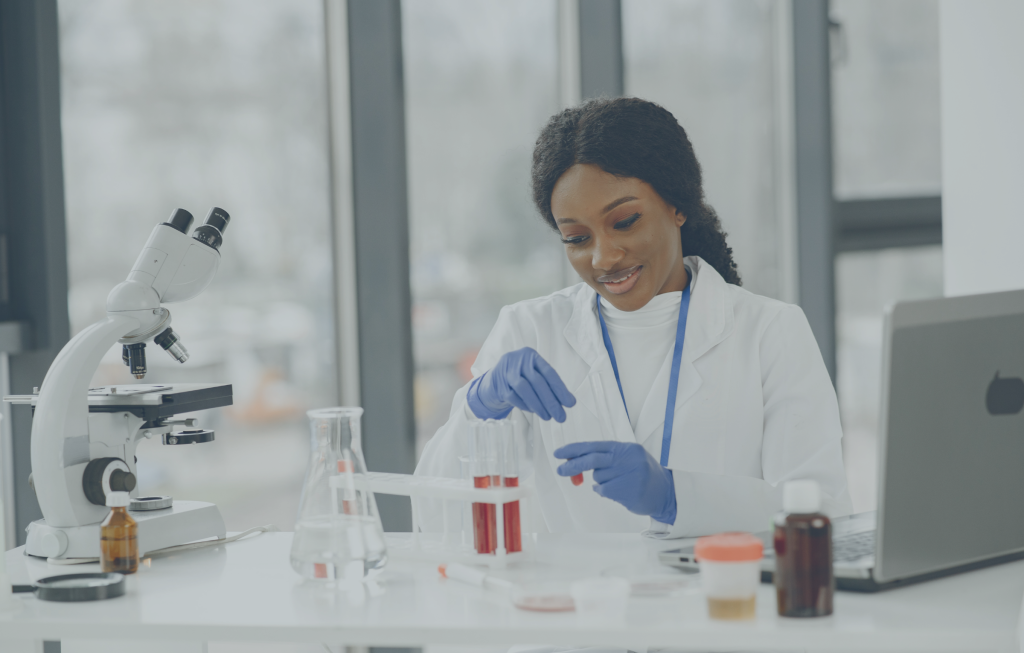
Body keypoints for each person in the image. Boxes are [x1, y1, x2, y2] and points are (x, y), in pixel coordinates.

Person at [415, 97, 852, 537]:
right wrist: (478, 408)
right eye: (577, 238)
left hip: (721, 598)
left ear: (677, 205)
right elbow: (436, 518)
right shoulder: (529, 331)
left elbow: (823, 512)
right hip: (581, 602)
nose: (604, 257)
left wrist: (675, 496)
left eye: (625, 221)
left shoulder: (769, 332)